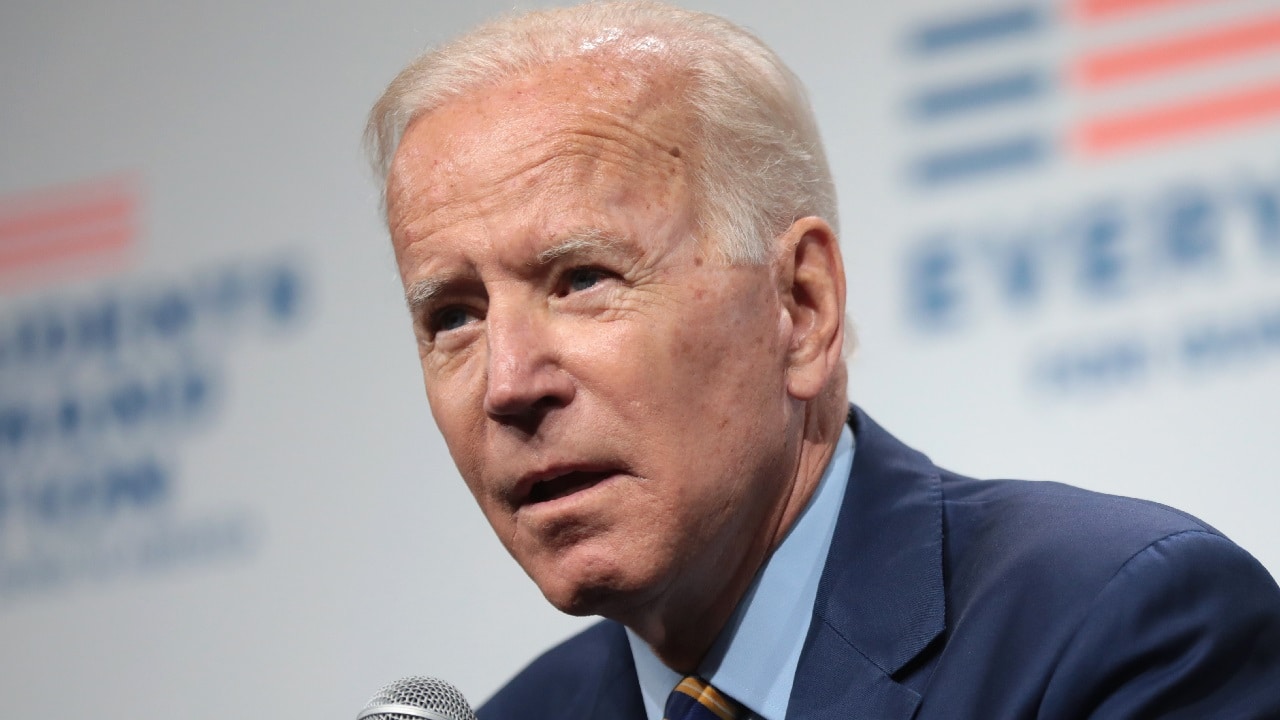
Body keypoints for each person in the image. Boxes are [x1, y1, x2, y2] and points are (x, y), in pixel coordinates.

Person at [364, 2, 1280, 717]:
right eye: (454, 315)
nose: (509, 383)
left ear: (801, 307)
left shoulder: (1115, 631)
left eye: (582, 279)